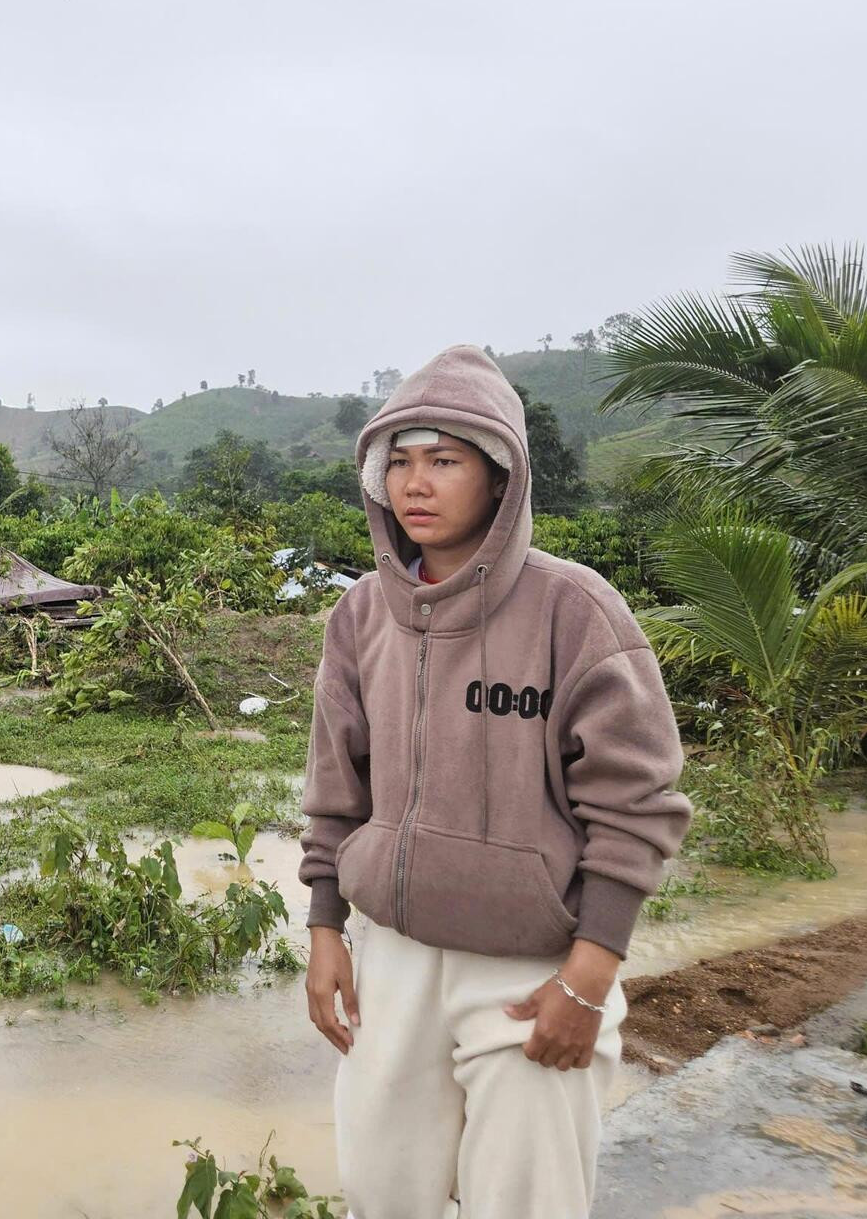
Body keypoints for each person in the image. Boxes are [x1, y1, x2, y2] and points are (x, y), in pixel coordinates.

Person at [298, 343, 693, 1219]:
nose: (417, 483)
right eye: (398, 461)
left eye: (445, 460)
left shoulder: (573, 611)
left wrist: (588, 979)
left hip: (528, 969)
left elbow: (638, 807)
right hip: (392, 956)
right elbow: (337, 787)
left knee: (524, 1200)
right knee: (380, 1192)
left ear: (501, 476)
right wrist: (328, 928)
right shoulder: (360, 614)